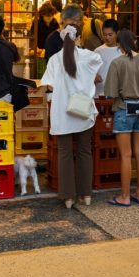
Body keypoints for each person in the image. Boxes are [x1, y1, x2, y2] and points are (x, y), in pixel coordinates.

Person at [40, 25, 102, 209]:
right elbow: (98, 62)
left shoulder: (54, 60)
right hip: (83, 110)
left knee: (65, 153)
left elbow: (48, 86)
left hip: (62, 112)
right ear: (78, 38)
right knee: (84, 151)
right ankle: (86, 194)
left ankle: (68, 197)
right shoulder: (86, 56)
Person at [104, 29, 139, 206]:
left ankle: (124, 196)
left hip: (123, 107)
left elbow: (110, 92)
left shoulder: (117, 63)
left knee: (126, 156)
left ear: (119, 44)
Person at [94, 19, 120, 97]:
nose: (107, 37)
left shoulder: (123, 51)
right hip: (100, 93)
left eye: (110, 35)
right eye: (104, 35)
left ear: (117, 33)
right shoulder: (97, 51)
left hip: (117, 94)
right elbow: (90, 71)